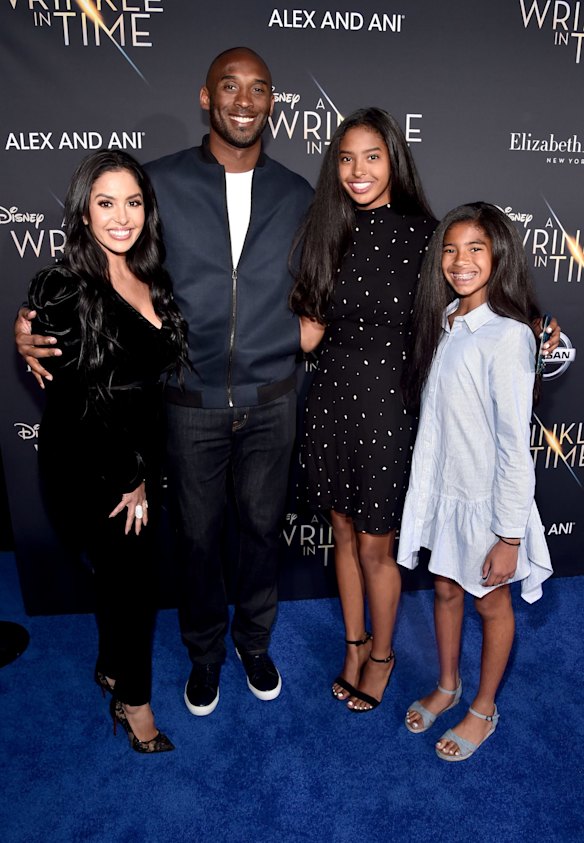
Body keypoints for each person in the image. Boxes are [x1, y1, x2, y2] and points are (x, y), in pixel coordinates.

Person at [16, 47, 314, 716]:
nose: (244, 100)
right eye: (229, 87)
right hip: (187, 402)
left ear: (273, 101)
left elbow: (327, 275)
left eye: (259, 88)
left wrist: (312, 326)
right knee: (198, 539)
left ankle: (254, 642)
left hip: (272, 400)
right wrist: (33, 319)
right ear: (205, 97)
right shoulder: (155, 184)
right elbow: (97, 265)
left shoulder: (299, 192)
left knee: (263, 533)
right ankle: (205, 653)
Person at [27, 150, 188, 752]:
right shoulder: (65, 286)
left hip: (142, 457)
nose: (122, 217)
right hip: (93, 464)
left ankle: (111, 665)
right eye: (105, 203)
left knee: (123, 579)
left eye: (134, 202)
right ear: (83, 211)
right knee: (135, 586)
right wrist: (131, 479)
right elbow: (83, 400)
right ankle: (135, 704)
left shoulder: (150, 276)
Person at [290, 107, 436, 712]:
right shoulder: (326, 229)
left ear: (394, 161)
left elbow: (470, 296)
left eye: (371, 157)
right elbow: (307, 333)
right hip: (329, 398)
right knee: (341, 533)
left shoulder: (425, 234)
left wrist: (532, 326)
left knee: (377, 544)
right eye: (346, 158)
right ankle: (354, 643)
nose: (358, 171)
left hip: (386, 406)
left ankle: (383, 654)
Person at [398, 202, 552, 761]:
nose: (460, 261)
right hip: (445, 493)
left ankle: (484, 707)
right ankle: (448, 685)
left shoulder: (509, 337)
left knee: (489, 604)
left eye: (476, 248)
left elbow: (516, 444)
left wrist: (509, 537)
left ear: (499, 255)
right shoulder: (444, 322)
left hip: (488, 505)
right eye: (450, 249)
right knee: (443, 589)